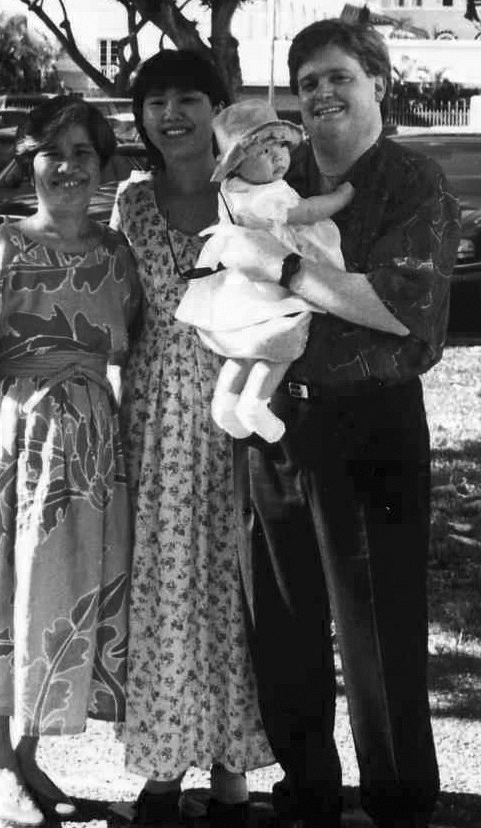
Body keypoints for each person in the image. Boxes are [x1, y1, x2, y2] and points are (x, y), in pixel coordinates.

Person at [199, 20, 461, 828]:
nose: (322, 93)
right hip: (275, 424)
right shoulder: (277, 171)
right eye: (307, 81)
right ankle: (307, 791)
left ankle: (399, 800)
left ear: (378, 82)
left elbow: (398, 307)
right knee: (282, 620)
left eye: (339, 76)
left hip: (372, 425)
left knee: (378, 626)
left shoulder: (413, 181)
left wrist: (281, 267)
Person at [0, 96, 141, 827]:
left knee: (52, 598)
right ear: (31, 160)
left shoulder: (117, 257)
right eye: (55, 152)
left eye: (85, 153)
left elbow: (128, 349)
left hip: (88, 448)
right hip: (12, 438)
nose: (70, 166)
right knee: (0, 590)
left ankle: (25, 755)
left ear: (103, 166)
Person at [109, 50, 275, 826]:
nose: (170, 115)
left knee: (236, 586)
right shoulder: (131, 202)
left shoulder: (251, 191)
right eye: (154, 102)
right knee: (166, 587)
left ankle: (233, 766)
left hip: (239, 405)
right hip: (154, 419)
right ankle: (165, 764)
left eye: (187, 99)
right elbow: (120, 313)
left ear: (217, 106)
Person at [176, 98, 408, 443]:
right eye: (264, 152)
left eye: (281, 146)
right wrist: (344, 196)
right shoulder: (267, 198)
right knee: (282, 341)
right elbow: (308, 212)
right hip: (269, 287)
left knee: (245, 349)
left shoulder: (234, 191)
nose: (278, 156)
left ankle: (225, 403)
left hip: (241, 290)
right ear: (237, 165)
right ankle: (255, 401)